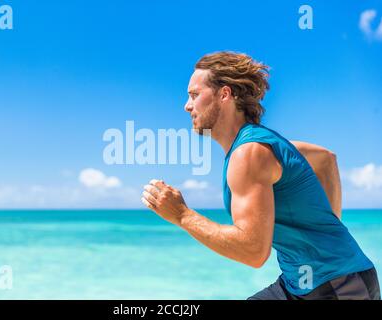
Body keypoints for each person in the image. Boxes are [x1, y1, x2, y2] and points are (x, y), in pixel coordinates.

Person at [141, 51, 380, 300]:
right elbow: (326, 159)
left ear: (224, 94)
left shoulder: (250, 153)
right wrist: (326, 231)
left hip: (339, 286)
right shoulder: (264, 145)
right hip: (300, 284)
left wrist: (182, 215)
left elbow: (253, 252)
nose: (187, 105)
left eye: (194, 95)